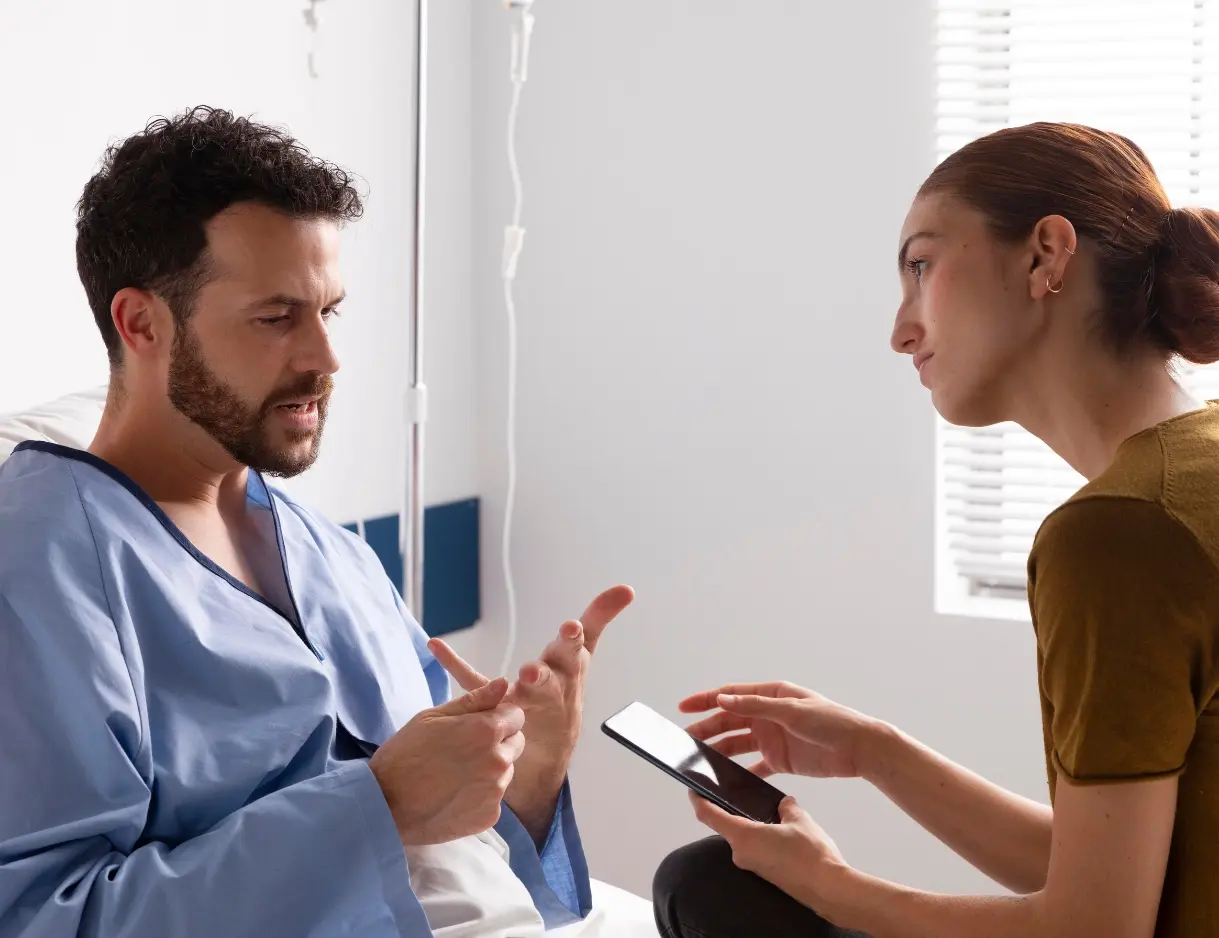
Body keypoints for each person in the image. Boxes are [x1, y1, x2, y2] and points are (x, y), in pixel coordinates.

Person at [0, 106, 656, 937]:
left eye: (328, 312)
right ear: (142, 324)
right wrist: (376, 806)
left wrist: (528, 777)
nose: (325, 359)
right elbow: (45, 920)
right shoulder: (39, 572)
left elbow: (453, 855)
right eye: (276, 318)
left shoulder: (324, 551)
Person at [652, 122, 1219, 938]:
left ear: (1044, 256)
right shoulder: (1188, 474)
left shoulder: (1118, 533)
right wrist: (876, 752)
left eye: (920, 266)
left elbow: (1094, 928)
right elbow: (1135, 876)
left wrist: (830, 887)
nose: (900, 330)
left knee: (708, 888)